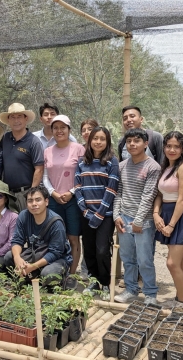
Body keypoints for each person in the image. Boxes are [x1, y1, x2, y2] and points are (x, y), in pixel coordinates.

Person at [153, 131, 183, 308]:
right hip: (166, 213)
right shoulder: (165, 167)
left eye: (176, 146)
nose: (172, 149)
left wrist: (171, 225)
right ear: (164, 147)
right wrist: (156, 214)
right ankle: (180, 297)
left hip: (181, 217)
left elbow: (182, 199)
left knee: (172, 263)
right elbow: (159, 194)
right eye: (169, 146)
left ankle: (181, 301)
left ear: (182, 149)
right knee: (181, 261)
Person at [113, 128, 161, 305]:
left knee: (144, 259)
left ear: (146, 143)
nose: (132, 144)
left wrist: (139, 221)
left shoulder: (153, 167)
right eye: (129, 141)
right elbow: (118, 192)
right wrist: (116, 216)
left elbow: (149, 195)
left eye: (137, 141)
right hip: (124, 219)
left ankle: (150, 294)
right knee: (128, 258)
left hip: (144, 222)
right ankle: (131, 289)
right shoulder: (122, 166)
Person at [75, 126, 119, 299]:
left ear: (107, 141)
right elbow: (77, 187)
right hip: (86, 215)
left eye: (102, 138)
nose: (98, 142)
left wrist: (99, 214)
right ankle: (93, 281)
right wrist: (85, 211)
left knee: (102, 250)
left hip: (104, 216)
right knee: (90, 249)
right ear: (89, 140)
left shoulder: (111, 161)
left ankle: (106, 283)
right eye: (95, 138)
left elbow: (111, 189)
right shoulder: (82, 162)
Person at [42, 115, 85, 286]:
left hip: (74, 200)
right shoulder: (47, 151)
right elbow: (45, 176)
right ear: (52, 131)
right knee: (56, 238)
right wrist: (52, 193)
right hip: (53, 200)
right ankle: (57, 272)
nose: (59, 131)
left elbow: (83, 175)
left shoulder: (79, 149)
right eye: (56, 128)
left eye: (63, 127)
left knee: (73, 238)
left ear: (69, 130)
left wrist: (72, 191)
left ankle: (72, 276)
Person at [3, 185, 72, 287]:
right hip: (35, 253)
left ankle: (60, 279)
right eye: (30, 201)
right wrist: (17, 258)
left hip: (56, 259)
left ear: (46, 202)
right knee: (9, 256)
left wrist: (32, 267)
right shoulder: (23, 216)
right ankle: (31, 279)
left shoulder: (56, 222)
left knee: (48, 274)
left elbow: (55, 253)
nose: (34, 204)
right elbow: (17, 240)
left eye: (38, 200)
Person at [0, 103, 44, 211]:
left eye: (19, 116)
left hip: (25, 193)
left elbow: (39, 169)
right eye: (12, 117)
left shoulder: (33, 141)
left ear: (25, 118)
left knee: (26, 224)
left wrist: (31, 195)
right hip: (7, 193)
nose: (16, 120)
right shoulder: (5, 138)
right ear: (8, 120)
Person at [77, 118, 100, 280]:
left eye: (90, 129)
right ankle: (86, 269)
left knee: (102, 243)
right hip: (82, 202)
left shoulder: (104, 151)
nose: (86, 132)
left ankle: (102, 273)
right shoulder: (79, 150)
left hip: (101, 205)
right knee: (86, 239)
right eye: (83, 129)